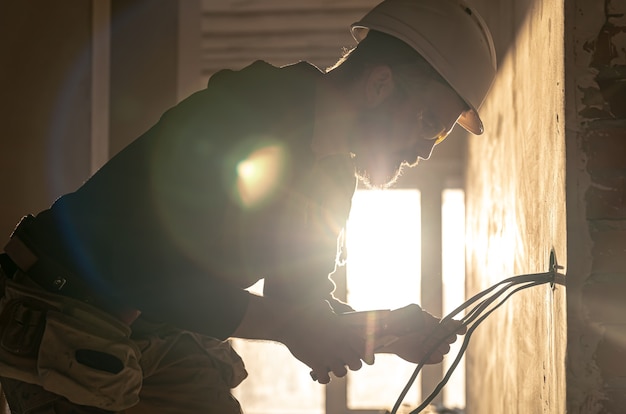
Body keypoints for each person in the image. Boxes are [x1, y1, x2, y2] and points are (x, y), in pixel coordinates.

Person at [0, 0, 496, 412]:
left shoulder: (331, 178)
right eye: (430, 121)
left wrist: (384, 331)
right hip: (57, 303)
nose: (429, 147)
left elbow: (297, 304)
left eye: (443, 132)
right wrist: (292, 326)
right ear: (380, 84)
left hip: (144, 322)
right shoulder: (244, 116)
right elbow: (138, 268)